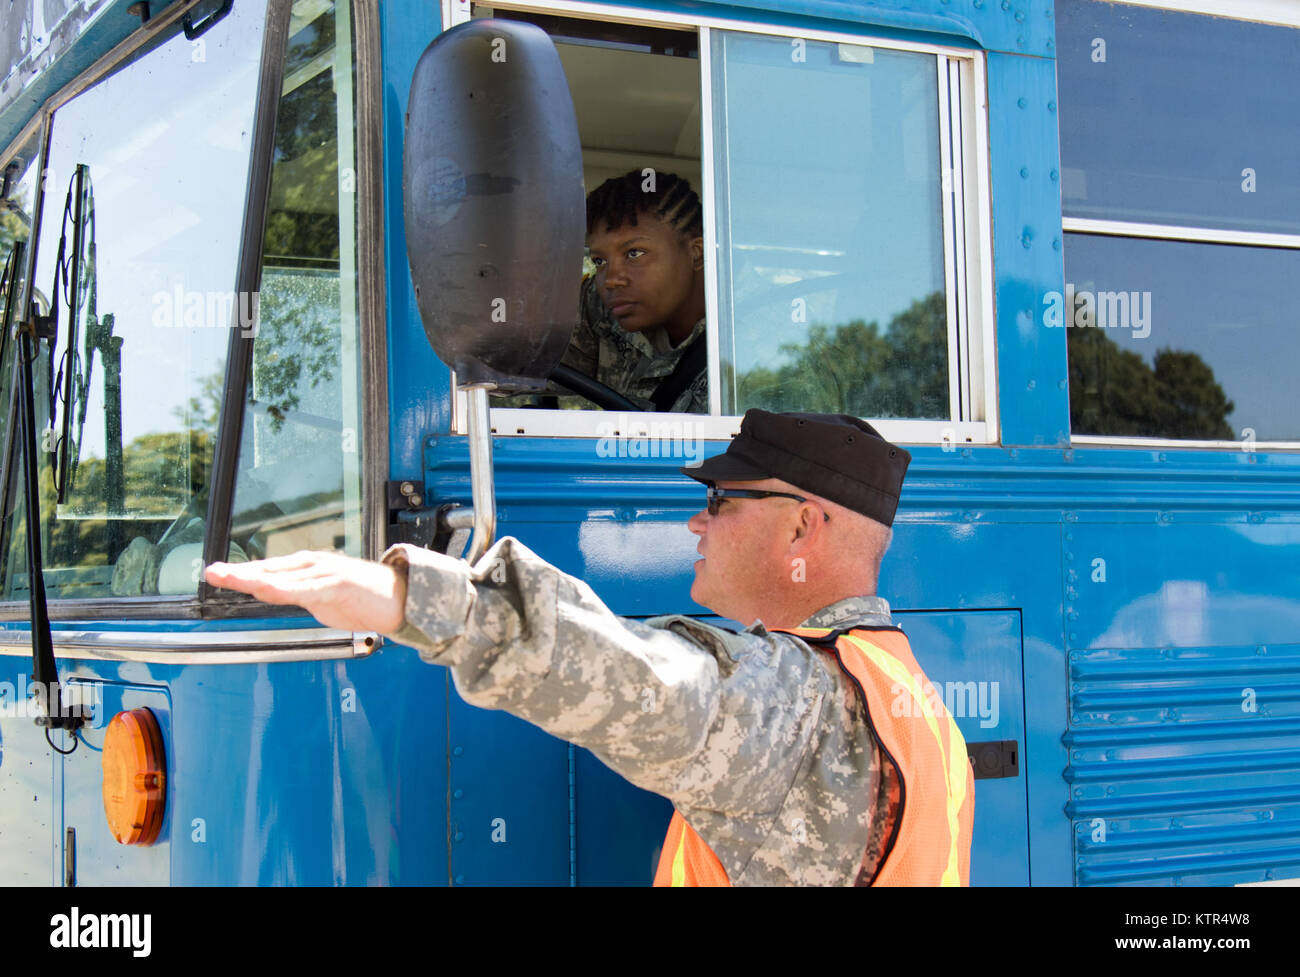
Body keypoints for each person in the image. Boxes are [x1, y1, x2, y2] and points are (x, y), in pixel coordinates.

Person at [205, 410, 974, 886]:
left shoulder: (799, 699)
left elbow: (653, 687)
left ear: (802, 527)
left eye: (720, 501)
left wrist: (417, 600)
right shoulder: (911, 700)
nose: (696, 524)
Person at [516, 169, 708, 413]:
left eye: (634, 253)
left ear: (696, 252)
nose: (610, 280)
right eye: (599, 261)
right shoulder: (602, 307)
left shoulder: (747, 341)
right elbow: (515, 359)